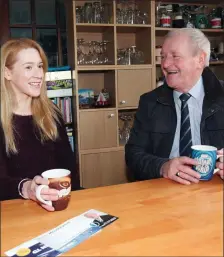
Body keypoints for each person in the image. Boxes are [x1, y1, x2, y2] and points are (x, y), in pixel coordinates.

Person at [125, 28, 224, 185]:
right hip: (164, 189)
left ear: (200, 59)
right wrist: (163, 166)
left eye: (175, 56)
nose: (165, 64)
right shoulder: (150, 102)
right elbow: (133, 155)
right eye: (163, 57)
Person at [0, 38, 80, 210]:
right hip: (14, 212)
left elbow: (69, 166)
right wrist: (27, 187)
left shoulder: (52, 113)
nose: (38, 74)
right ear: (7, 73)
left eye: (40, 66)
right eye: (28, 67)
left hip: (56, 205)